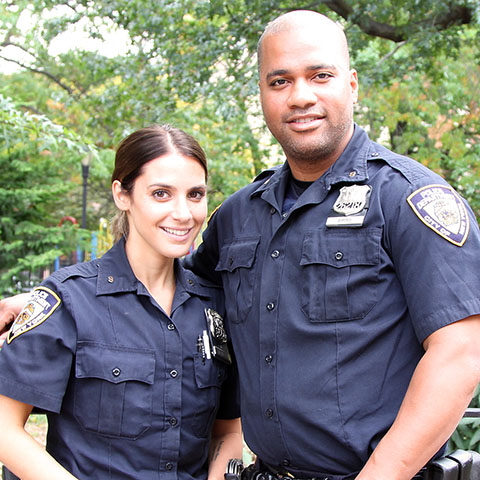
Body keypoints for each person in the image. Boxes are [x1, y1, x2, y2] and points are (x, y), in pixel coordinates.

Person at [2, 9, 480, 480]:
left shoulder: (407, 198)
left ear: (351, 84)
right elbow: (177, 285)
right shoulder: (240, 215)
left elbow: (461, 352)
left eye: (320, 75)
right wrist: (58, 300)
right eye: (280, 81)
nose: (301, 96)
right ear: (262, 95)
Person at [0, 125, 242, 480]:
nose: (183, 213)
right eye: (161, 194)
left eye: (195, 194)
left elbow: (227, 431)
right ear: (122, 195)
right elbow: (5, 427)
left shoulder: (214, 308)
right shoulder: (69, 300)